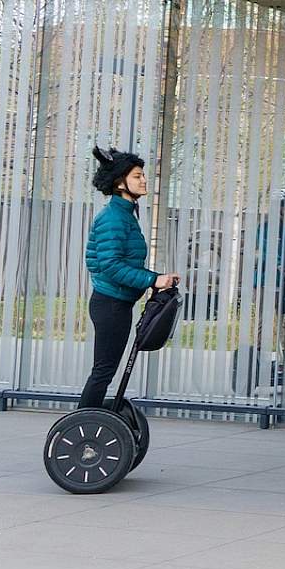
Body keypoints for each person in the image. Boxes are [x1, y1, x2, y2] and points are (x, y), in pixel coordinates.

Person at [80, 147, 179, 409]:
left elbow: (122, 262)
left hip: (118, 304)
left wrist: (156, 278)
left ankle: (90, 422)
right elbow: (111, 265)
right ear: (119, 182)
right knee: (103, 371)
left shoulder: (124, 214)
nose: (144, 180)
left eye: (143, 175)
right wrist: (153, 280)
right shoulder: (113, 217)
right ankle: (83, 427)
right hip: (110, 304)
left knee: (105, 371)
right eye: (137, 176)